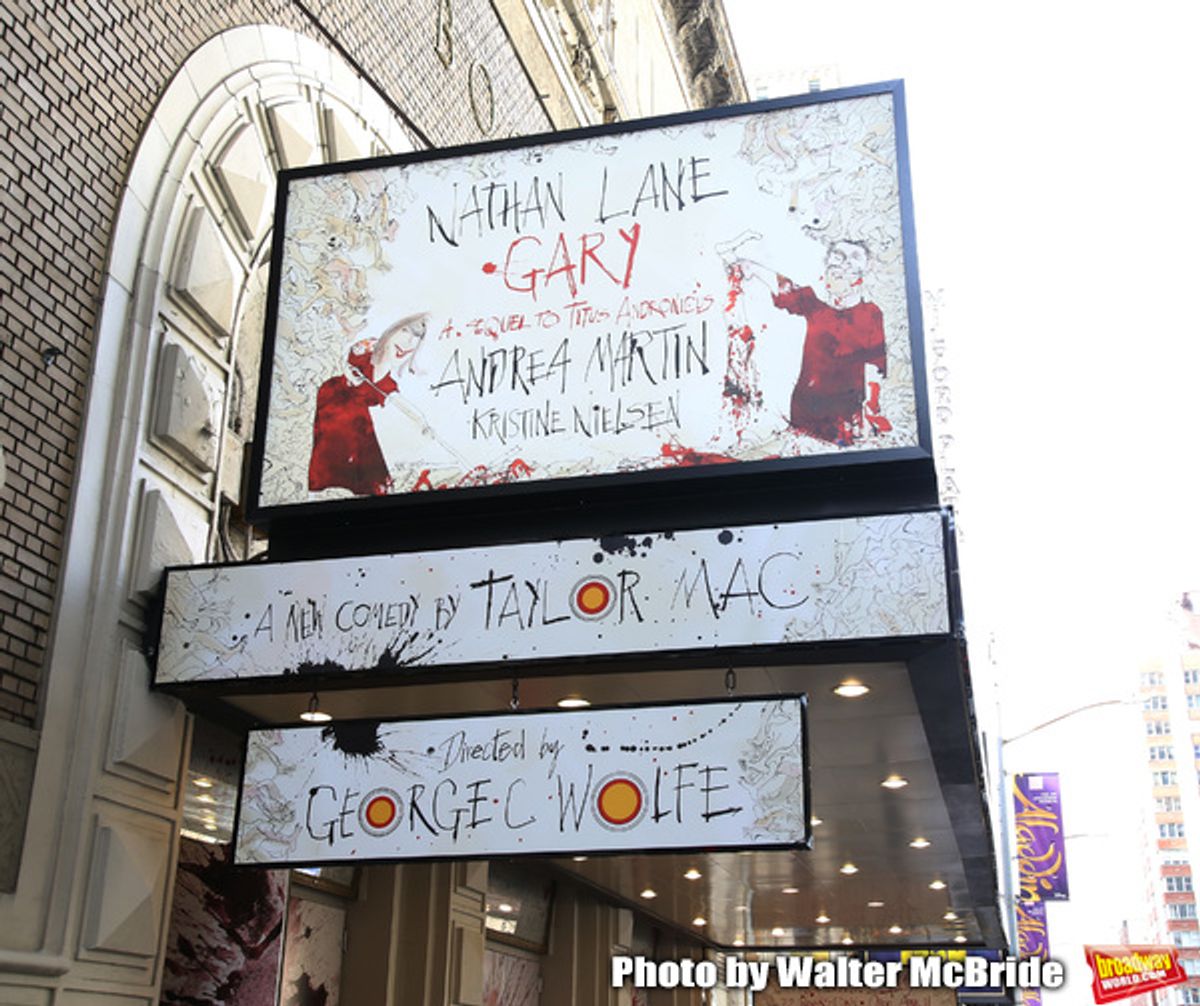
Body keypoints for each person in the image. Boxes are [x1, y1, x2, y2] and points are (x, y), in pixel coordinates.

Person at [726, 237, 887, 446]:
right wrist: (751, 267)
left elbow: (875, 367)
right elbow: (785, 288)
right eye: (838, 257)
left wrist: (869, 412)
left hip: (847, 420)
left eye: (854, 258)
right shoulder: (816, 308)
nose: (844, 264)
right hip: (806, 415)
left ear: (865, 270)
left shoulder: (871, 314)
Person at [308, 312, 429, 496]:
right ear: (392, 332)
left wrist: (422, 421)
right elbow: (344, 358)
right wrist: (349, 375)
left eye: (416, 337)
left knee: (366, 447)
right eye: (405, 331)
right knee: (348, 442)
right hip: (335, 397)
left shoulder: (387, 383)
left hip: (357, 417)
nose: (408, 341)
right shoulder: (368, 347)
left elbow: (399, 401)